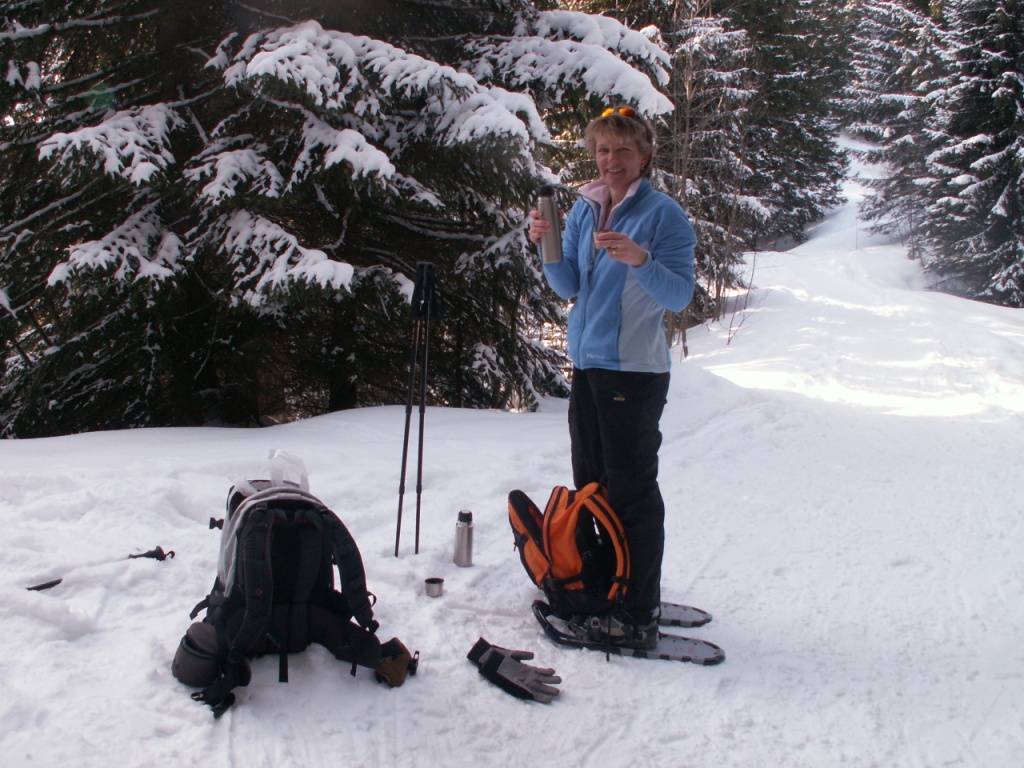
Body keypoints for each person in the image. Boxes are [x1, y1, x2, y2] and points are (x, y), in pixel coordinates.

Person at [528, 106, 696, 649]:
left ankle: (637, 614)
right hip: (589, 367)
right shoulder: (585, 207)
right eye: (603, 150)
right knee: (593, 488)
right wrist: (547, 245)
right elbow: (569, 284)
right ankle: (609, 589)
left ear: (644, 155)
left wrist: (642, 260)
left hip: (635, 373)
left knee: (632, 495)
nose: (611, 160)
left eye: (623, 150)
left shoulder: (664, 215)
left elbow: (680, 296)